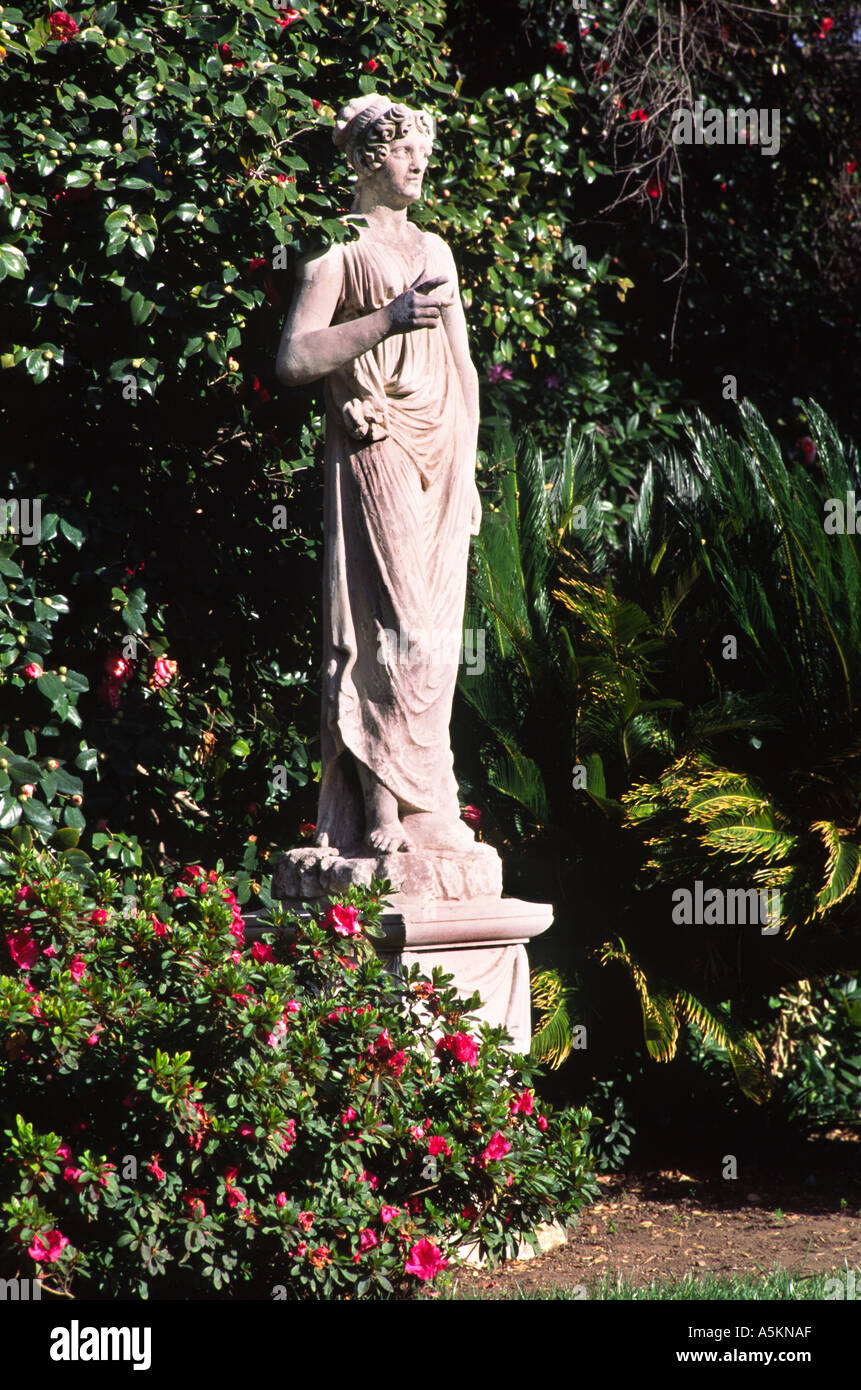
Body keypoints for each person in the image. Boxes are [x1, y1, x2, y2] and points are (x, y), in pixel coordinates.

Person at [276, 94, 481, 857]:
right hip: (380, 441)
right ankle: (381, 806)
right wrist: (386, 320)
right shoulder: (338, 250)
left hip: (442, 452)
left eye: (422, 150)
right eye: (404, 151)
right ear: (366, 161)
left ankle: (430, 798)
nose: (420, 162)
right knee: (392, 625)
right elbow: (295, 359)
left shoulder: (438, 251)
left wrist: (471, 469)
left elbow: (462, 367)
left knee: (437, 637)